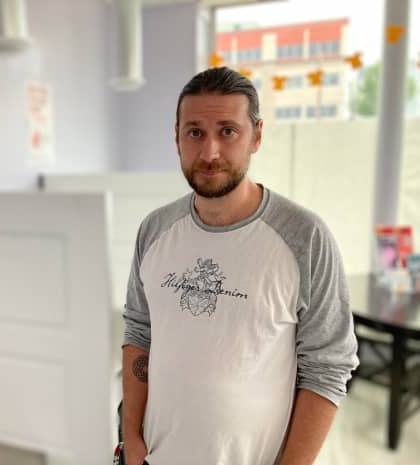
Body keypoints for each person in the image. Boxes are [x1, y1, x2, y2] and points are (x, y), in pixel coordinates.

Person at [121, 67, 359, 465]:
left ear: (257, 136)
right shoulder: (155, 229)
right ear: (176, 137)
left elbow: (328, 367)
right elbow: (139, 331)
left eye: (227, 131)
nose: (209, 152)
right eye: (194, 132)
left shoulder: (304, 237)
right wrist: (131, 437)